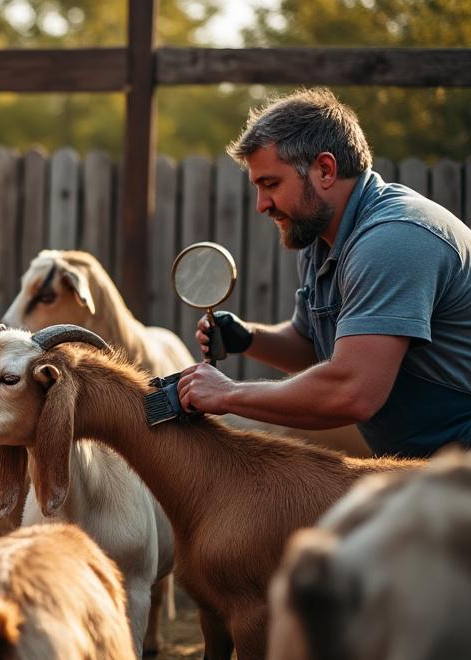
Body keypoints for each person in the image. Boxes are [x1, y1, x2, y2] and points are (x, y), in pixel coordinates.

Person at [177, 88, 471, 458]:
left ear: (325, 170)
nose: (261, 205)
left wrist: (227, 394)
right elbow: (315, 351)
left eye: (271, 185)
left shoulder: (395, 238)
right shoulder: (323, 240)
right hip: (426, 470)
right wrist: (249, 337)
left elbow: (352, 390)